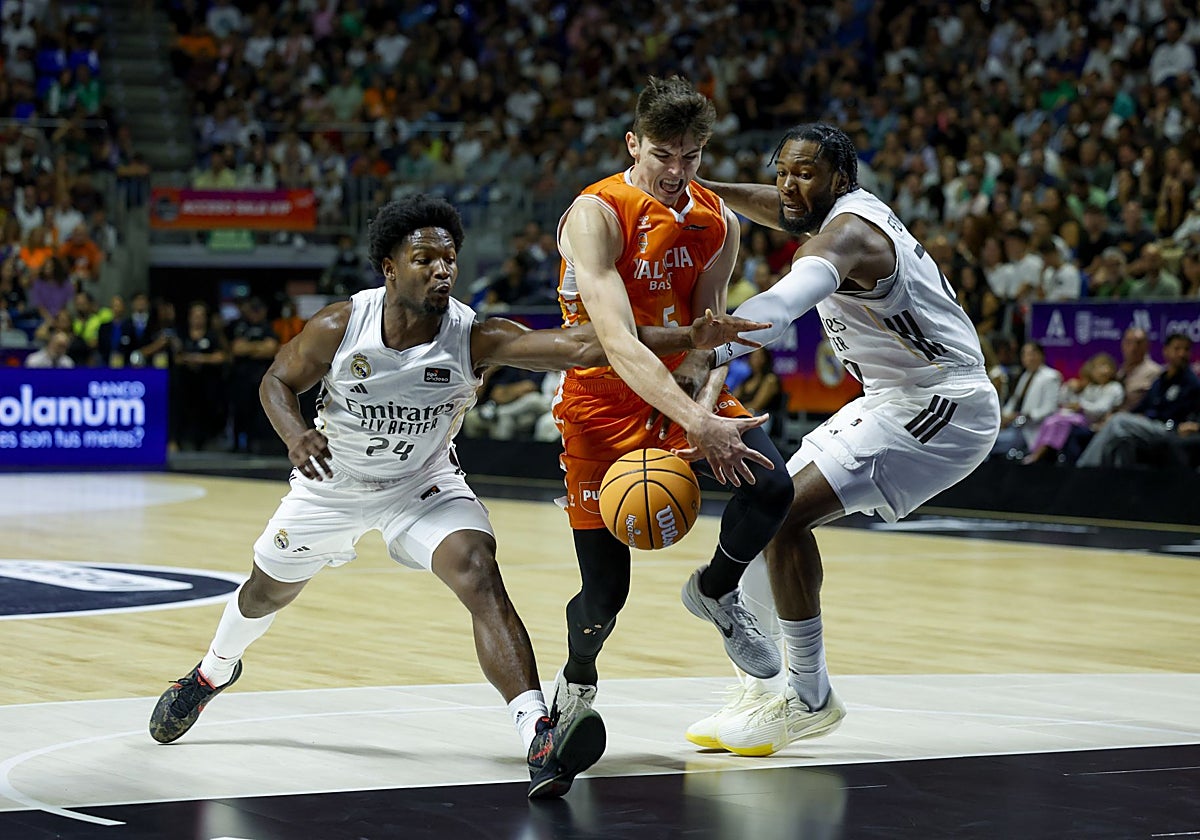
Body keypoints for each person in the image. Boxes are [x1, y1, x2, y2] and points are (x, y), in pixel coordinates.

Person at [147, 194, 767, 799]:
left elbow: (583, 346)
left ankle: (538, 732)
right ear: (389, 267)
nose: (442, 269)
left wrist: (690, 332)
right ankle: (212, 672)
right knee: (263, 592)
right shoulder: (341, 324)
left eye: (449, 259)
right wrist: (295, 433)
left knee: (478, 572)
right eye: (425, 259)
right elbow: (277, 381)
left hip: (424, 485)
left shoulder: (474, 335)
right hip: (331, 486)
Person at [680, 123, 1000, 756]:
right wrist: (702, 187)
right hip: (893, 396)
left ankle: (810, 697)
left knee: (784, 519)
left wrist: (720, 336)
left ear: (841, 180)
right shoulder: (822, 209)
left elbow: (788, 301)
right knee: (761, 506)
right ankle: (761, 686)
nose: (789, 187)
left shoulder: (849, 234)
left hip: (944, 401)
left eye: (806, 174)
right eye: (784, 172)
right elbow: (779, 206)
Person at [547, 77, 796, 756]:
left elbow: (709, 336)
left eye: (689, 156)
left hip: (681, 392)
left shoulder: (719, 219)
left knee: (772, 484)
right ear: (634, 143)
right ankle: (573, 690)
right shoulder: (597, 213)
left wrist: (706, 412)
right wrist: (694, 416)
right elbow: (619, 341)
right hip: (601, 401)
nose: (676, 170)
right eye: (663, 154)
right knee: (604, 596)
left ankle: (716, 592)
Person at [1076, 334, 1200, 469]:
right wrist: (1132, 415)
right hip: (1150, 424)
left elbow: (1192, 417)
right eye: (1177, 349)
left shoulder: (1192, 383)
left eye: (1186, 350)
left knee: (1119, 421)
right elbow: (1142, 407)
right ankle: (1113, 483)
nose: (1182, 354)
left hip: (1168, 429)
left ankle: (1084, 469)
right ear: (1166, 351)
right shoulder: (1160, 380)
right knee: (1120, 437)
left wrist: (1185, 426)